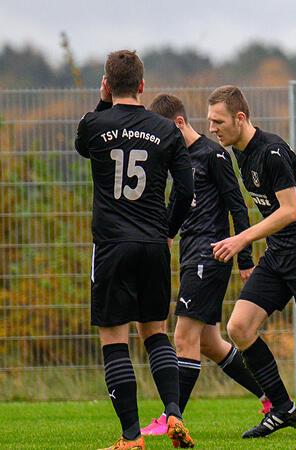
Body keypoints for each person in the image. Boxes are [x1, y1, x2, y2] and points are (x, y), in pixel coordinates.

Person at [207, 86, 296, 438]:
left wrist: (242, 239)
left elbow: (290, 210)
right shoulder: (240, 153)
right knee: (239, 327)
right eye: (210, 121)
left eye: (218, 121)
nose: (213, 128)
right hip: (278, 252)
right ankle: (283, 408)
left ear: (240, 118)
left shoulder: (272, 151)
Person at [75, 50, 195, 449]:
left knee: (114, 338)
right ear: (143, 85)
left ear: (107, 85)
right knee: (155, 334)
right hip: (152, 244)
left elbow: (81, 145)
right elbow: (187, 189)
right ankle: (175, 414)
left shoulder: (93, 123)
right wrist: (168, 230)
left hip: (112, 244)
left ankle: (131, 437)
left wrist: (103, 100)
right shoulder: (166, 130)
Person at [139, 93, 272, 437]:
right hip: (191, 253)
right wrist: (168, 234)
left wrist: (245, 258)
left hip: (210, 255)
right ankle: (270, 396)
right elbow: (178, 202)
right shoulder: (178, 158)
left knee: (183, 336)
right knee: (211, 343)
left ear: (179, 124)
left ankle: (171, 417)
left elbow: (237, 207)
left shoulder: (213, 155)